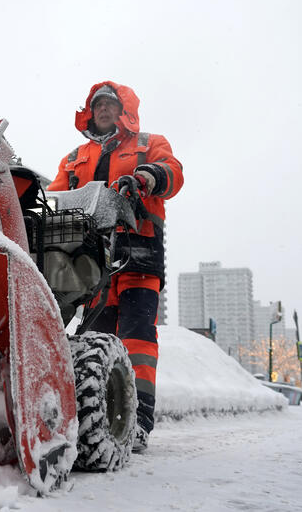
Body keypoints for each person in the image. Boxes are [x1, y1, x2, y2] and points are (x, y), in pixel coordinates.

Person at [48, 82, 184, 451]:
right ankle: (99, 418)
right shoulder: (75, 156)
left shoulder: (149, 144)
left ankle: (137, 422)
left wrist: (147, 177)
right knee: (96, 340)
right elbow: (56, 197)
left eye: (109, 103)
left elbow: (172, 173)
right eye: (97, 106)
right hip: (93, 265)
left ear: (125, 108)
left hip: (139, 256)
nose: (103, 110)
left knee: (137, 340)